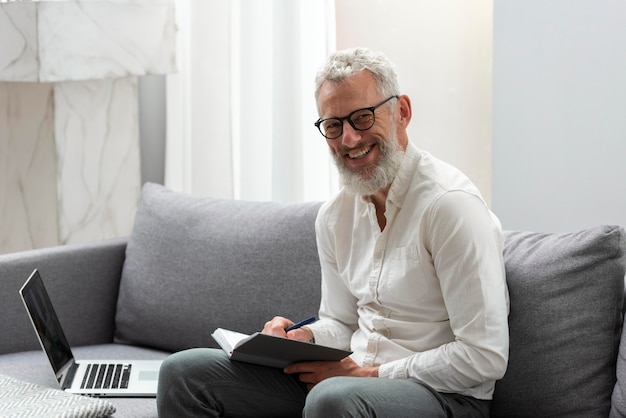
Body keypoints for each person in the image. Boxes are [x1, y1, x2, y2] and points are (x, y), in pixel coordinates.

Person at [157, 47, 509, 417]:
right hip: (347, 386)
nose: (349, 140)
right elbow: (342, 322)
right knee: (185, 372)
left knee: (333, 399)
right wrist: (302, 338)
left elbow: (484, 356)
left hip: (443, 397)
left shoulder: (450, 206)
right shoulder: (335, 216)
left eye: (362, 117)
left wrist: (368, 374)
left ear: (401, 112)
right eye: (334, 125)